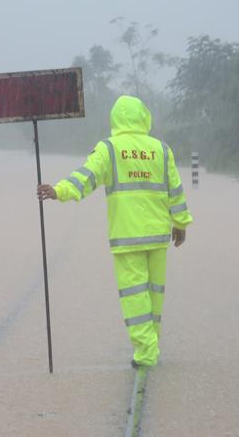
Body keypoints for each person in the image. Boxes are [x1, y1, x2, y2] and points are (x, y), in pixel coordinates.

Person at [36, 95, 193, 368]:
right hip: (158, 236)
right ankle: (151, 345)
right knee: (155, 294)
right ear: (143, 117)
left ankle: (146, 353)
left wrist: (58, 191)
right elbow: (175, 189)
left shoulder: (109, 149)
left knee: (134, 297)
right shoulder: (161, 149)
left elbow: (86, 177)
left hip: (128, 237)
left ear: (116, 119)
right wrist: (180, 223)